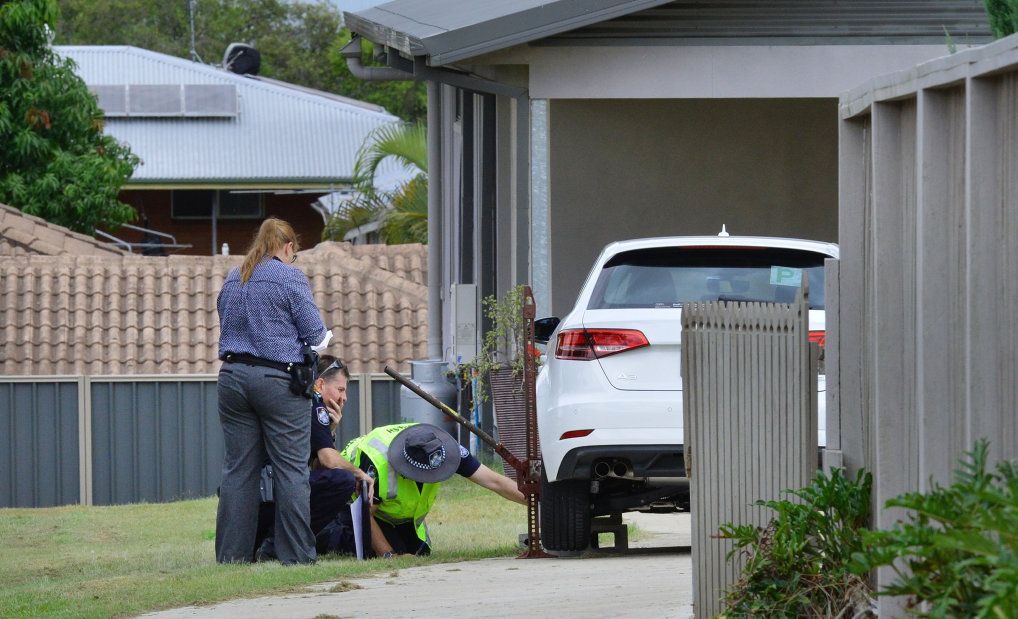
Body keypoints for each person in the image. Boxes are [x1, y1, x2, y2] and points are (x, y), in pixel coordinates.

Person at [215, 217, 334, 565]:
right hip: (276, 382)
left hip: (232, 378)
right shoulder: (289, 276)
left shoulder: (234, 277)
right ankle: (296, 556)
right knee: (291, 469)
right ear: (288, 247)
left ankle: (231, 558)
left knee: (238, 470)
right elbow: (316, 335)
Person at [339, 422, 526, 556]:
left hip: (399, 515)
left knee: (419, 553)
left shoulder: (443, 448)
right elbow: (365, 515)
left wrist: (541, 500)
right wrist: (389, 555)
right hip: (352, 502)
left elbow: (496, 482)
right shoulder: (377, 464)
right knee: (373, 550)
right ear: (405, 469)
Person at [254, 355, 374, 560]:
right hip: (274, 489)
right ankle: (279, 543)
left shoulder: (299, 400)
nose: (344, 398)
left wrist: (330, 431)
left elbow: (317, 467)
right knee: (344, 481)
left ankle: (272, 542)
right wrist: (360, 474)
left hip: (262, 490)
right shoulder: (315, 404)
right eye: (340, 389)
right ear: (319, 384)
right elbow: (328, 460)